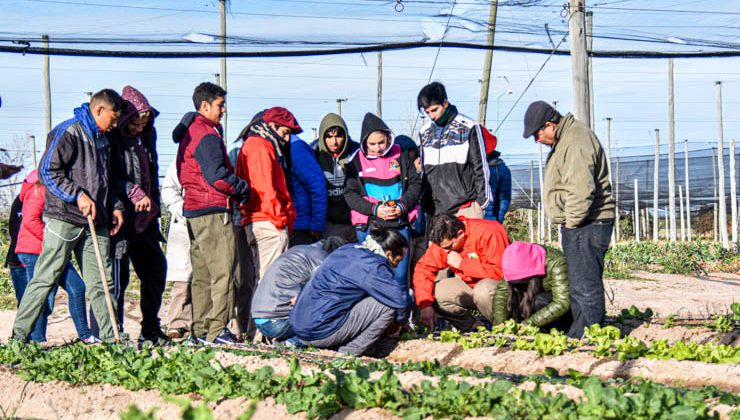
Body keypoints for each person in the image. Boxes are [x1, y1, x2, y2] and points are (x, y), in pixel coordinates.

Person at [12, 89, 125, 343]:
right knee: (44, 278)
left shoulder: (104, 139)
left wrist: (116, 206)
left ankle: (112, 340)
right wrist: (77, 195)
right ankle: (18, 339)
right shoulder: (68, 132)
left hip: (96, 222)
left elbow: (107, 180)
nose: (116, 124)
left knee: (102, 283)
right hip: (64, 218)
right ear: (99, 111)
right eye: (114, 118)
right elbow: (48, 172)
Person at [522, 100, 615, 338]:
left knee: (585, 285)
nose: (537, 140)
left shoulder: (575, 141)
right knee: (579, 283)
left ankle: (588, 337)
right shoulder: (567, 139)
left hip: (587, 223)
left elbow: (581, 188)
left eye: (537, 134)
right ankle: (582, 332)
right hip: (580, 223)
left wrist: (572, 223)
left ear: (550, 125)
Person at [174, 82, 250, 345]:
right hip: (214, 209)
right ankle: (217, 331)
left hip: (195, 209)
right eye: (220, 105)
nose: (224, 110)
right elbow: (217, 176)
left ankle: (201, 330)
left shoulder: (191, 131)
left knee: (203, 273)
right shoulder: (205, 133)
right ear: (204, 105)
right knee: (223, 272)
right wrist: (242, 188)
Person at [93, 85, 168, 344]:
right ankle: (114, 333)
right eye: (134, 123)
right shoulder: (110, 138)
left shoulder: (147, 136)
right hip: (120, 218)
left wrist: (153, 203)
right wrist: (133, 192)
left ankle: (150, 329)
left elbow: (152, 172)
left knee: (156, 270)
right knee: (118, 278)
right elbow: (106, 177)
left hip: (145, 220)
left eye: (143, 123)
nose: (139, 128)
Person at [290, 224, 410, 355]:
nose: (397, 266)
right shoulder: (373, 266)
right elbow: (400, 300)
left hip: (299, 325)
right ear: (389, 254)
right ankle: (350, 351)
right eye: (397, 261)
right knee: (387, 306)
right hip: (320, 332)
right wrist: (399, 323)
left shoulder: (347, 249)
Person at [344, 113, 422, 288]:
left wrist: (402, 206)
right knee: (372, 274)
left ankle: (400, 314)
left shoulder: (402, 156)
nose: (378, 148)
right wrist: (374, 209)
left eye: (382, 142)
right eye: (372, 144)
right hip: (370, 226)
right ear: (364, 142)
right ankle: (375, 314)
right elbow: (350, 194)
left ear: (388, 138)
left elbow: (416, 184)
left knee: (399, 275)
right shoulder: (355, 161)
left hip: (399, 225)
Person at [15, 170, 95, 343]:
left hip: (52, 249)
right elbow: (30, 220)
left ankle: (85, 335)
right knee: (42, 297)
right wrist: (54, 241)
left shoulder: (57, 190)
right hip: (35, 250)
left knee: (77, 287)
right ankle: (36, 340)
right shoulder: (39, 190)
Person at [413, 213, 510, 332]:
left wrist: (463, 264)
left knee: (483, 290)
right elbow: (423, 269)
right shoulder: (444, 240)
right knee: (433, 293)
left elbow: (501, 273)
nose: (445, 252)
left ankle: (503, 328)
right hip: (471, 288)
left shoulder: (489, 232)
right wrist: (425, 305)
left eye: (449, 247)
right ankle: (474, 327)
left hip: (500, 289)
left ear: (460, 233)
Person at [237, 107, 300, 280]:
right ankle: (266, 308)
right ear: (272, 125)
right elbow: (265, 189)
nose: (287, 140)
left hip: (261, 219)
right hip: (267, 221)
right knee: (271, 281)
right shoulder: (260, 146)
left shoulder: (254, 144)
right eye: (285, 132)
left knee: (259, 278)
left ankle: (257, 307)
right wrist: (280, 222)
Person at [250, 236, 346, 344]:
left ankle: (282, 339)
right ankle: (293, 342)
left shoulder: (298, 249)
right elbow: (325, 293)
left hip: (260, 320)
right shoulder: (321, 258)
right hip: (277, 322)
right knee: (332, 321)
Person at [417, 82, 491, 218]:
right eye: (427, 113)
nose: (432, 116)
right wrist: (424, 201)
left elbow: (480, 167)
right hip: (435, 210)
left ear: (445, 103)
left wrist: (480, 204)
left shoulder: (469, 127)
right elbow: (423, 171)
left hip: (465, 207)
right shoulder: (425, 132)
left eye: (434, 110)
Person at [492, 241, 572, 331]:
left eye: (520, 280)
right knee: (514, 295)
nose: (517, 283)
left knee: (539, 300)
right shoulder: (513, 263)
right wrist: (500, 323)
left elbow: (562, 302)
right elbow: (502, 293)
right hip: (535, 308)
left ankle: (556, 330)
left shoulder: (556, 262)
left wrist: (528, 324)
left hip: (560, 310)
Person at [160, 160, 192, 340]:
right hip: (185, 223)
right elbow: (169, 190)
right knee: (182, 280)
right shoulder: (180, 162)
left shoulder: (217, 156)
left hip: (210, 221)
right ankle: (177, 323)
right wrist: (183, 209)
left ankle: (200, 324)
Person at [315, 113, 358, 242]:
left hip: (353, 223)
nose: (334, 142)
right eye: (329, 136)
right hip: (328, 224)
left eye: (338, 136)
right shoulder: (315, 155)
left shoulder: (356, 154)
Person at [289, 133, 326, 246]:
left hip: (300, 224)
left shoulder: (295, 149)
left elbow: (316, 183)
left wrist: (317, 224)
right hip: (294, 222)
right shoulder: (287, 147)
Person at [481, 129, 511, 223]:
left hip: (490, 221)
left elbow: (504, 199)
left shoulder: (501, 170)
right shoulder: (503, 169)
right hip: (474, 220)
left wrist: (498, 220)